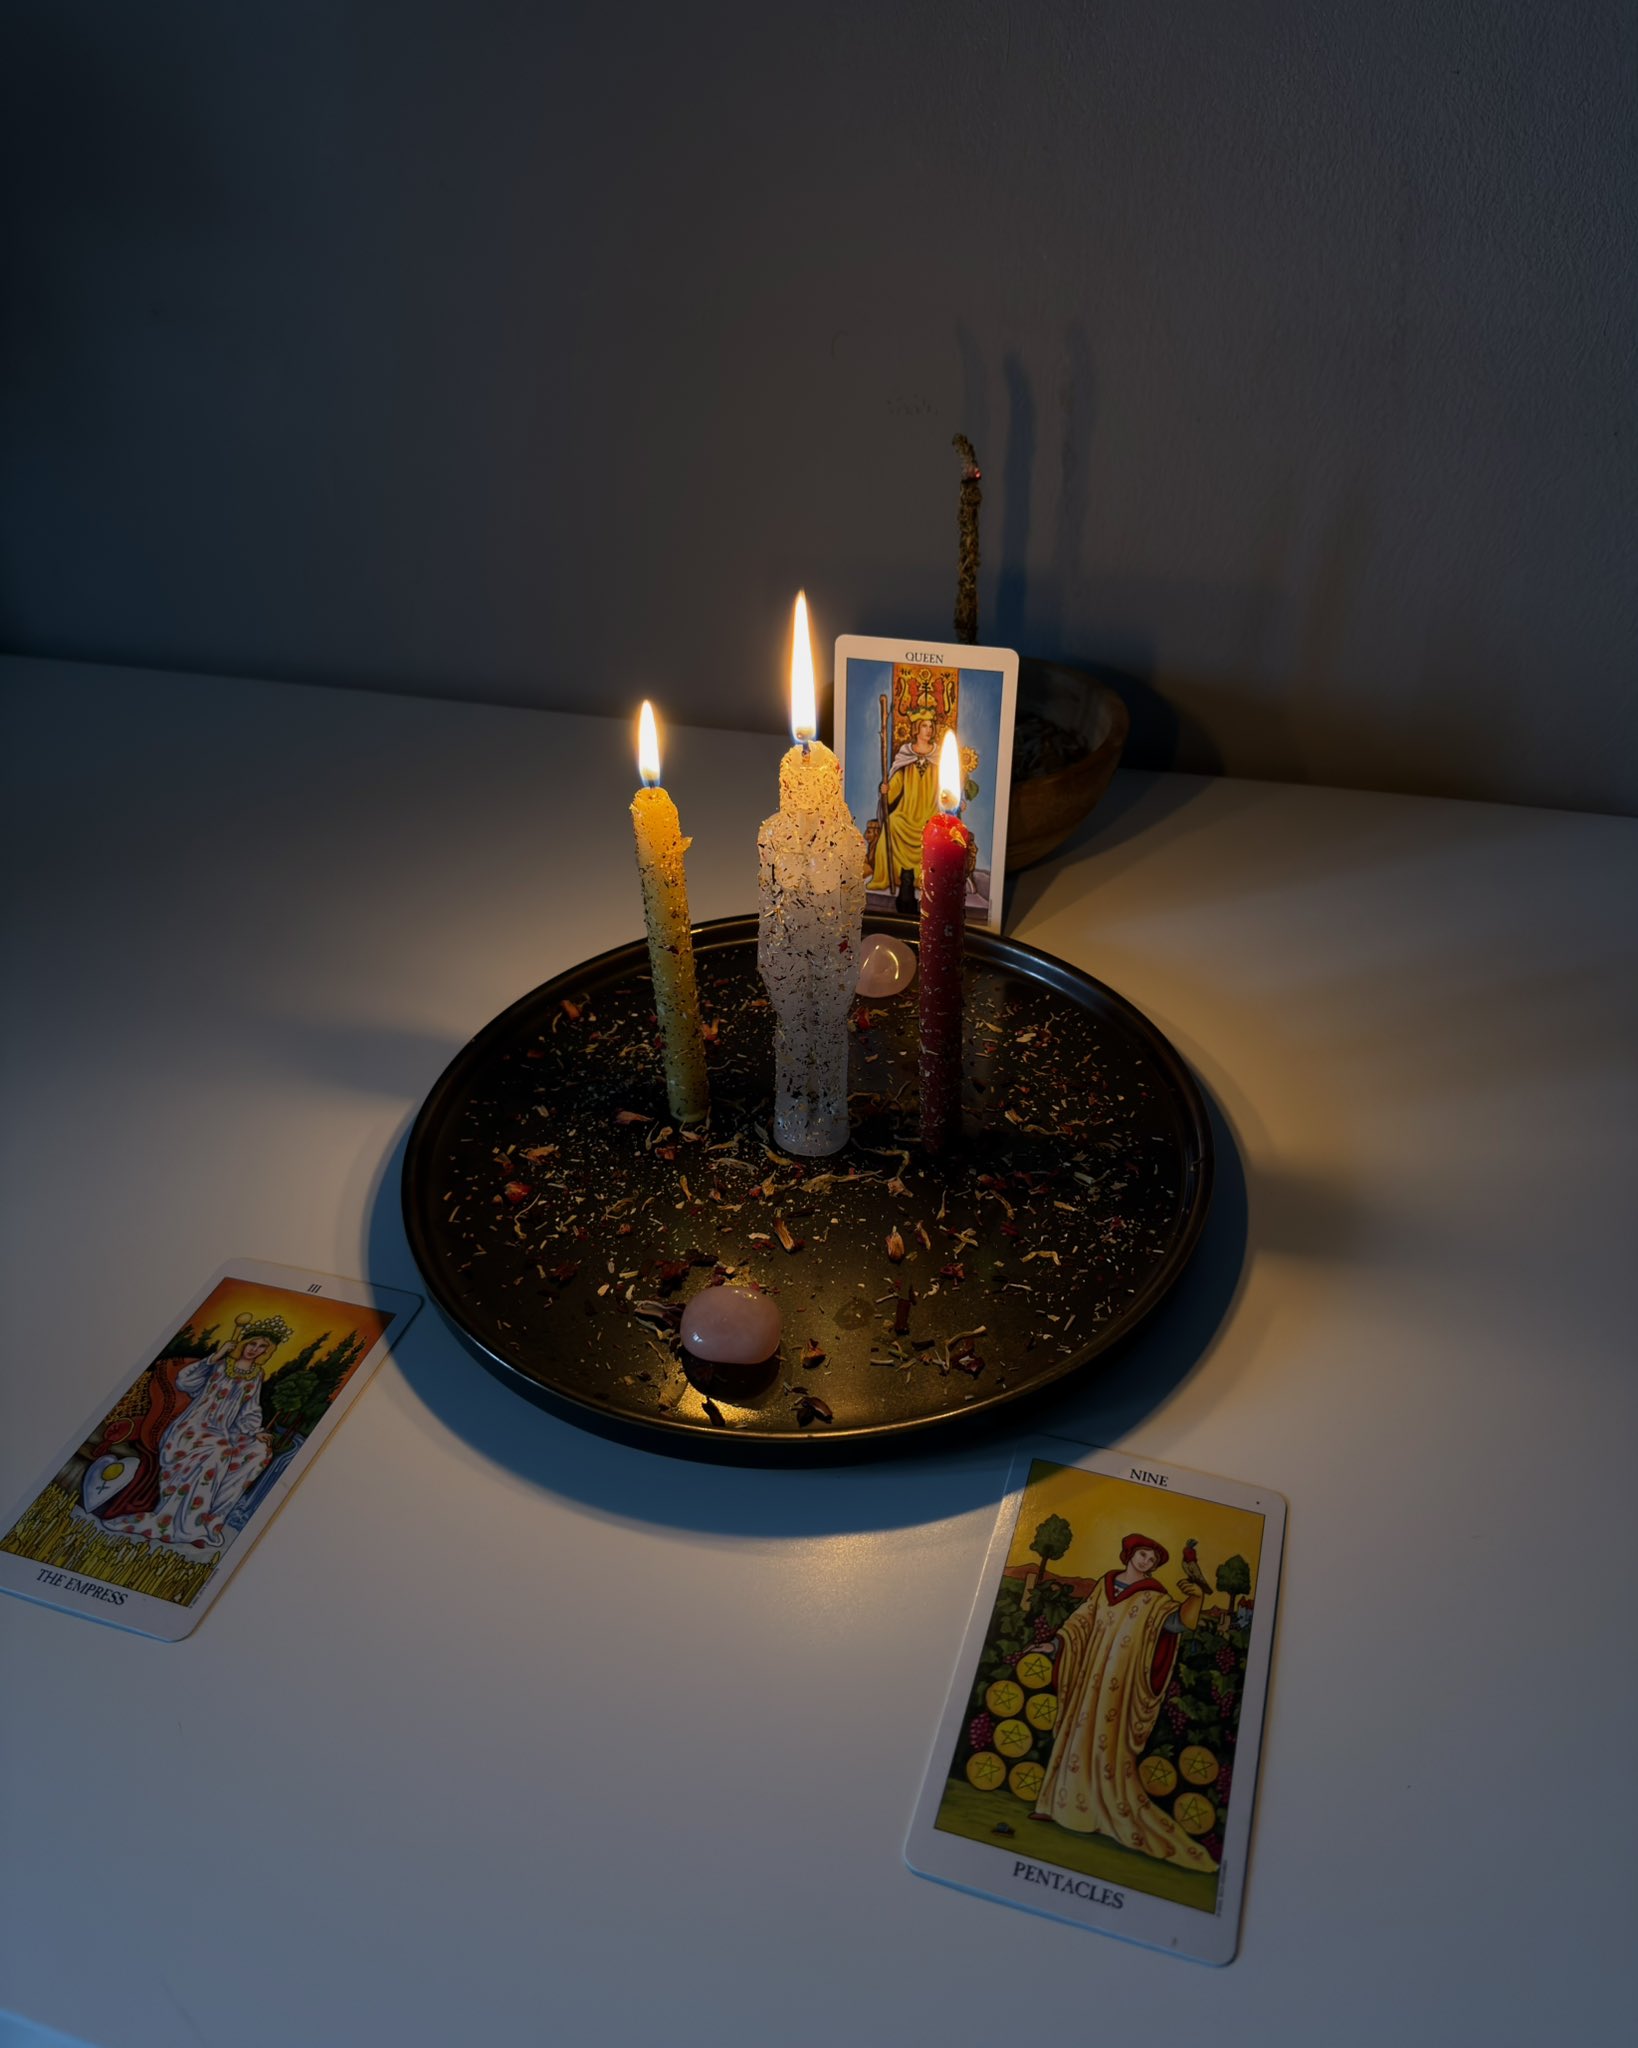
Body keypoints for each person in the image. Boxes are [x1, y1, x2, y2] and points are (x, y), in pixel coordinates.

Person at [1028, 1533, 1219, 1872]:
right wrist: (1054, 1644)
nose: (1147, 1561)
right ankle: (1058, 1803)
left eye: (1153, 1559)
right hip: (1090, 1677)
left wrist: (1195, 1598)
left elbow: (1179, 1623)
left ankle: (1098, 1812)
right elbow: (1082, 1620)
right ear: (1130, 1554)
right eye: (1143, 1554)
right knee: (1077, 1734)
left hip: (1120, 1685)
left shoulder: (1154, 1597)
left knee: (1106, 1742)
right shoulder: (1106, 1584)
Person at [76, 1312, 293, 1553]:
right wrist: (215, 1357)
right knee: (217, 1452)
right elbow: (184, 1382)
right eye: (253, 1343)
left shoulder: (256, 1375)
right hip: (192, 1427)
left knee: (258, 1452)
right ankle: (188, 1526)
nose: (255, 1349)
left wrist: (256, 1431)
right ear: (244, 1342)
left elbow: (249, 1409)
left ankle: (208, 1521)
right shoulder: (219, 1364)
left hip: (224, 1430)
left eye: (262, 1347)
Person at [870, 715, 943, 911]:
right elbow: (896, 784)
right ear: (916, 729)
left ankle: (923, 878)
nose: (929, 730)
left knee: (934, 832)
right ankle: (894, 876)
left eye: (931, 726)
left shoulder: (938, 755)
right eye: (924, 726)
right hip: (906, 811)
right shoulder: (906, 754)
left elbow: (944, 786)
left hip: (930, 811)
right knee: (893, 822)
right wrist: (886, 789)